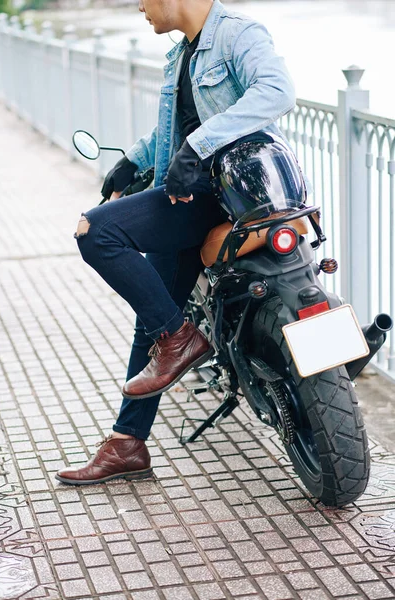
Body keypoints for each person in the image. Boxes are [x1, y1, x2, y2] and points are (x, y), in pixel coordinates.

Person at [56, 0, 298, 485]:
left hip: (226, 194)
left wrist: (199, 146)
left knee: (96, 230)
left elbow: (277, 91)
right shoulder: (180, 56)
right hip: (187, 194)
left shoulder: (237, 34)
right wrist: (131, 160)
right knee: (156, 312)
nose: (141, 6)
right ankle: (128, 443)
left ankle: (182, 338)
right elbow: (172, 134)